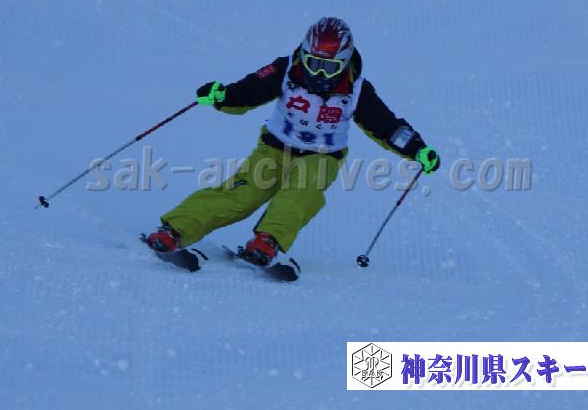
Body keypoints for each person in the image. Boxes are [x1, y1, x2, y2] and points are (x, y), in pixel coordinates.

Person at [143, 17, 439, 266]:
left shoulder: (357, 90)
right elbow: (249, 91)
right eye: (313, 64)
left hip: (322, 156)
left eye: (329, 68)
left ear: (345, 62)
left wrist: (417, 148)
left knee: (302, 189)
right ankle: (174, 230)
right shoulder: (285, 70)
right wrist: (223, 96)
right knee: (242, 195)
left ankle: (267, 241)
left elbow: (385, 125)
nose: (319, 74)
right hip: (274, 147)